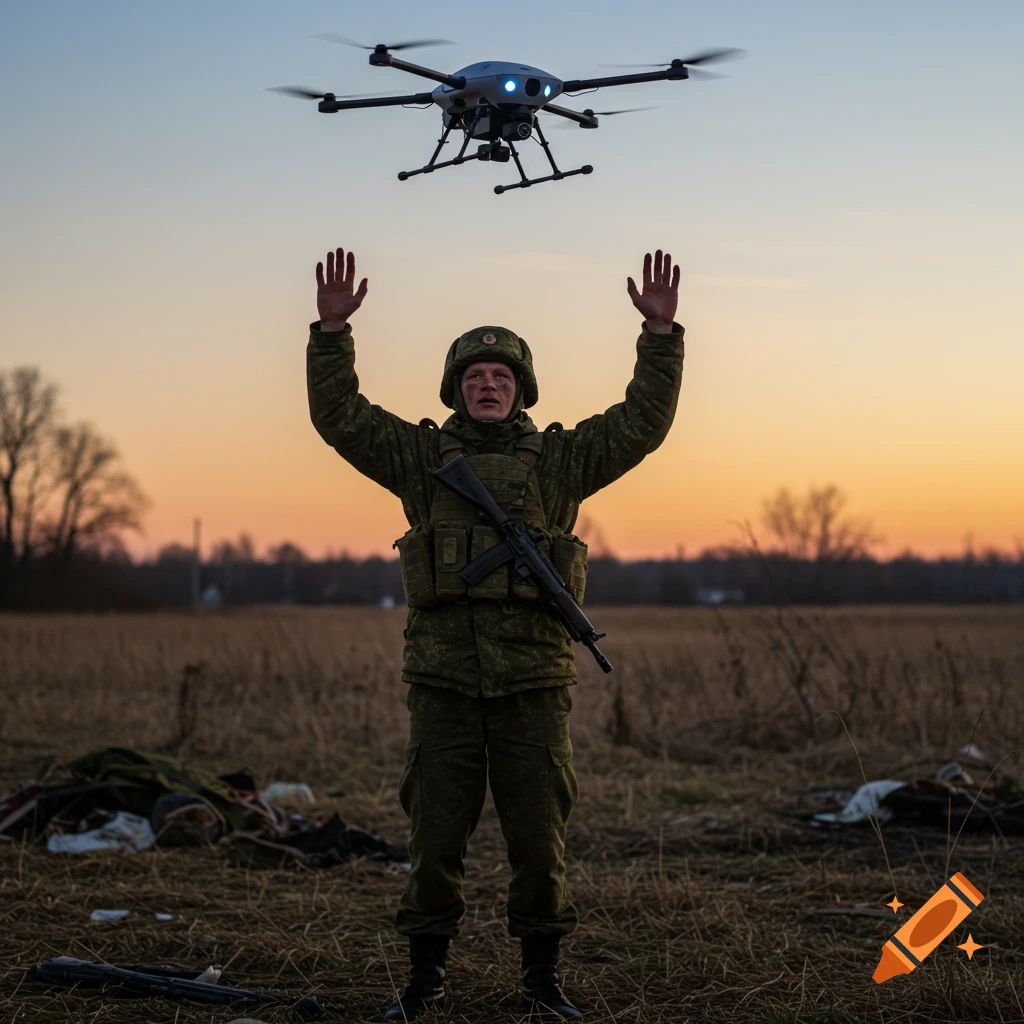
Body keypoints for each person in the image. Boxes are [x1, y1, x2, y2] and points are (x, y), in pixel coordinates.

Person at [307, 246, 685, 1020]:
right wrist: (331, 333)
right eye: (474, 378)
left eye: (501, 378)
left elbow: (642, 423)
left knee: (540, 845)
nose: (487, 386)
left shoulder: (561, 462)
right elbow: (340, 418)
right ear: (456, 391)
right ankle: (423, 982)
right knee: (433, 844)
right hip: (443, 683)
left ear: (520, 392)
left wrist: (660, 336)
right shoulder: (420, 458)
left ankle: (542, 981)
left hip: (535, 685)